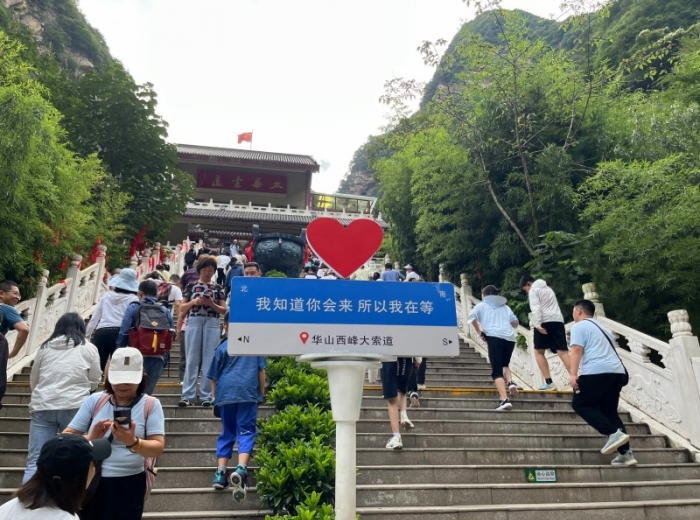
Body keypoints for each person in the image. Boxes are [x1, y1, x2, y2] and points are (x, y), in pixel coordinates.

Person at [63, 348, 166, 520]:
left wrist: (133, 442)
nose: (122, 385)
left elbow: (157, 448)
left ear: (141, 377)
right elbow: (65, 438)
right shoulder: (95, 400)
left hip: (131, 483)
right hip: (92, 480)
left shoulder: (151, 405)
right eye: (118, 379)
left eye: (129, 380)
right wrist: (90, 438)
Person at [23, 313, 101, 483]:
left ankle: (28, 499)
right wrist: (87, 389)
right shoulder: (89, 348)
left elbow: (34, 378)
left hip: (43, 405)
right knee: (76, 456)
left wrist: (41, 394)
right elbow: (95, 378)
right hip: (75, 404)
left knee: (36, 458)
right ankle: (72, 496)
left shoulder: (45, 347)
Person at [569, 299, 636, 465]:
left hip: (596, 371)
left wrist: (573, 374)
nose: (573, 314)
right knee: (609, 411)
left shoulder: (579, 326)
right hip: (616, 373)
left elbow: (576, 349)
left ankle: (612, 433)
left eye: (573, 311)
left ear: (578, 311)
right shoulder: (604, 328)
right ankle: (626, 454)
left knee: (581, 404)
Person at [209, 313, 266, 501]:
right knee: (246, 430)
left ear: (225, 326)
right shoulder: (254, 346)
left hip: (225, 394)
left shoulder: (221, 348)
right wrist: (261, 392)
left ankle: (220, 472)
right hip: (247, 393)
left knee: (227, 431)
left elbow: (214, 377)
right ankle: (241, 469)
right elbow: (261, 372)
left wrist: (214, 399)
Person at [0, 434, 111, 519]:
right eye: (93, 464)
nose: (95, 469)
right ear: (80, 477)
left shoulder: (9, 508)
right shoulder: (64, 517)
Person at [178, 256, 226, 407]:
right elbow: (181, 308)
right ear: (199, 270)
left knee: (209, 360)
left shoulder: (218, 288)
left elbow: (223, 310)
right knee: (192, 359)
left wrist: (211, 303)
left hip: (212, 322)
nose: (207, 273)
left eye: (210, 271)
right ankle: (188, 395)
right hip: (194, 321)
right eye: (205, 270)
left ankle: (206, 395)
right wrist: (194, 301)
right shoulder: (191, 286)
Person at [117, 281, 174, 395]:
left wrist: (119, 351)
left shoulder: (134, 307)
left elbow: (124, 331)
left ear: (140, 293)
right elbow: (171, 332)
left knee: (132, 393)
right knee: (146, 395)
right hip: (158, 357)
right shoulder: (164, 309)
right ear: (156, 294)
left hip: (136, 355)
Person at [467, 285, 519, 411]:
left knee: (497, 371)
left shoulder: (481, 306)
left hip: (494, 338)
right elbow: (515, 323)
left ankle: (504, 399)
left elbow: (471, 318)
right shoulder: (505, 307)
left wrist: (479, 331)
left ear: (484, 295)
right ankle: (510, 382)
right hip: (510, 339)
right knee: (505, 364)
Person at [520, 275, 571, 390]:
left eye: (525, 289)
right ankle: (576, 379)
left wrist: (537, 324)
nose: (527, 291)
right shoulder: (548, 289)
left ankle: (549, 382)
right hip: (558, 320)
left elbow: (536, 309)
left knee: (538, 351)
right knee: (562, 351)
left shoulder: (533, 290)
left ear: (528, 284)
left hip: (544, 321)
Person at [86, 269, 140, 370]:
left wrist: (87, 335)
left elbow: (95, 317)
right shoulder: (133, 299)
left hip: (102, 332)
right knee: (117, 369)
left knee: (97, 369)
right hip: (120, 334)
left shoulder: (106, 295)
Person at [382, 357, 415, 449]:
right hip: (406, 358)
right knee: (402, 389)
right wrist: (418, 359)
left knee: (392, 399)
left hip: (388, 357)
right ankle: (403, 414)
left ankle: (396, 436)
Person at [0, 280, 30, 360]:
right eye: (15, 293)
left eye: (19, 295)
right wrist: (13, 353)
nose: (17, 297)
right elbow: (24, 329)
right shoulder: (6, 308)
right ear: (1, 293)